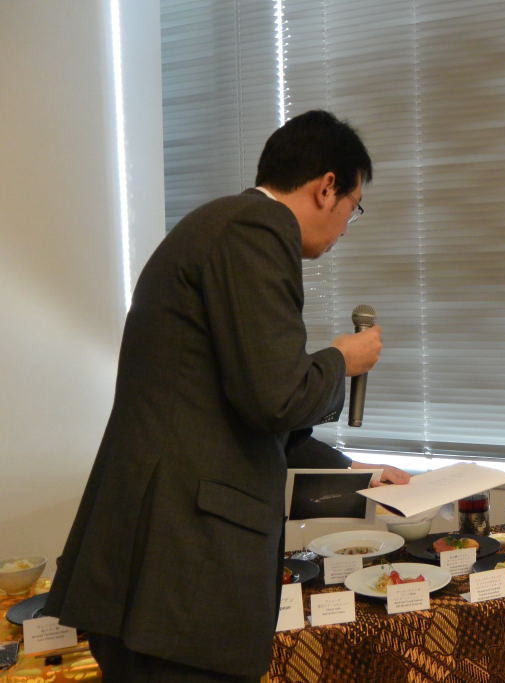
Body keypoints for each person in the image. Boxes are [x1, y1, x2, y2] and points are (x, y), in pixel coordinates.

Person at [44, 110, 407, 681]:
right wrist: (343, 359)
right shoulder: (255, 229)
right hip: (181, 563)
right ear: (327, 186)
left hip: (158, 562)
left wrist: (358, 471)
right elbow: (276, 399)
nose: (343, 228)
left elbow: (248, 415)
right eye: (352, 209)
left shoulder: (225, 227)